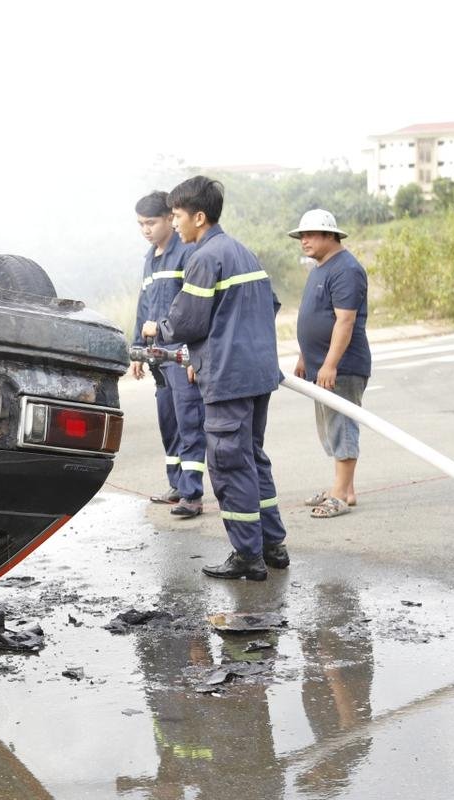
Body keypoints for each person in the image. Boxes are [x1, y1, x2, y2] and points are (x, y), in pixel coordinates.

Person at [145, 175, 288, 580]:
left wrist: (161, 328)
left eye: (176, 216)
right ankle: (272, 545)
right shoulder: (243, 252)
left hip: (228, 378)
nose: (173, 224)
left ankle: (247, 556)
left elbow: (188, 320)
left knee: (228, 463)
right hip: (257, 373)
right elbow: (269, 304)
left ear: (199, 217)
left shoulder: (205, 258)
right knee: (253, 458)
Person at [289, 209, 371, 519]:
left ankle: (339, 493)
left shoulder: (346, 269)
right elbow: (314, 316)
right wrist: (304, 356)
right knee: (328, 428)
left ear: (330, 235)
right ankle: (345, 489)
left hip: (344, 366)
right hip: (319, 365)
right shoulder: (320, 268)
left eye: (309, 234)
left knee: (341, 425)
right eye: (301, 236)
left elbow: (345, 321)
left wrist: (330, 363)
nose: (304, 240)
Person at [130, 191, 205, 517]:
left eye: (151, 222)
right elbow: (144, 307)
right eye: (140, 224)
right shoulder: (151, 258)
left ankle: (192, 495)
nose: (145, 229)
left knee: (190, 423)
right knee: (169, 423)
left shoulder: (186, 254)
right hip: (158, 358)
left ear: (170, 219)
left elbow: (195, 309)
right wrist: (138, 351)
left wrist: (193, 355)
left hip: (180, 355)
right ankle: (176, 485)